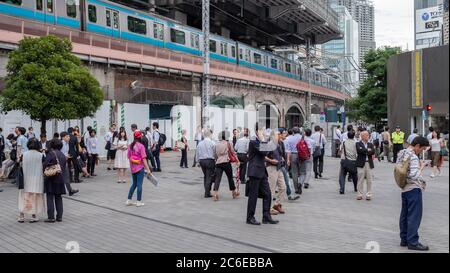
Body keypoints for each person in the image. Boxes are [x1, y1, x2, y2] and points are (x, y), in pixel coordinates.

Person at [396, 136, 430, 251]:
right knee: (414, 216)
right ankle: (413, 242)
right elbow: (414, 175)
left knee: (404, 215)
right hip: (413, 188)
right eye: (422, 149)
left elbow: (399, 168)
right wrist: (421, 167)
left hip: (404, 188)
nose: (422, 151)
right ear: (417, 146)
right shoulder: (414, 157)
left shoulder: (402, 152)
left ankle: (404, 239)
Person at [246, 125, 278, 225]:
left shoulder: (259, 141)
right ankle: (250, 217)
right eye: (262, 130)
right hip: (255, 172)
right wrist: (263, 139)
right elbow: (264, 151)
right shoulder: (253, 141)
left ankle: (266, 216)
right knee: (253, 196)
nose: (264, 132)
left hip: (262, 172)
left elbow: (268, 151)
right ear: (257, 131)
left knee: (267, 194)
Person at [17, 138, 45, 223]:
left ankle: (21, 216)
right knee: (35, 197)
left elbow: (19, 164)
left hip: (26, 179)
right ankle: (34, 216)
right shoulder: (41, 155)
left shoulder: (23, 154)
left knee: (24, 197)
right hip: (37, 179)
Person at [43, 139, 68, 222]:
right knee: (58, 197)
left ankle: (51, 217)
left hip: (51, 178)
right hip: (60, 179)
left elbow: (45, 165)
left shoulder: (51, 153)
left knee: (50, 197)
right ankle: (59, 216)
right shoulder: (62, 155)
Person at [126, 130, 152, 207]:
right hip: (140, 168)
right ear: (140, 137)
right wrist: (148, 169)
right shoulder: (141, 146)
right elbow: (144, 159)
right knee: (139, 184)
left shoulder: (130, 145)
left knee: (134, 184)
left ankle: (128, 200)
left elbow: (128, 157)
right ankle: (138, 201)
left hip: (133, 168)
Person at [212, 131, 239, 201]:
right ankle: (233, 192)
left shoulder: (216, 144)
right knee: (230, 178)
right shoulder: (228, 143)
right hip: (226, 162)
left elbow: (214, 155)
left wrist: (217, 159)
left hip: (218, 162)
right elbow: (233, 152)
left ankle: (215, 193)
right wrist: (237, 160)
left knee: (217, 179)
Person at [266, 130, 287, 215]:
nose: (280, 135)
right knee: (271, 189)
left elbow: (281, 154)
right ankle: (268, 208)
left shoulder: (280, 143)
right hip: (271, 167)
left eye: (279, 134)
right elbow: (263, 156)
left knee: (283, 187)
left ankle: (277, 204)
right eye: (277, 134)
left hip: (279, 167)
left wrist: (282, 158)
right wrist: (271, 160)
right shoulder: (269, 144)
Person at [278, 128, 300, 201]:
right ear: (279, 134)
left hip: (281, 164)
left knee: (286, 179)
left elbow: (287, 151)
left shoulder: (283, 142)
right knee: (274, 182)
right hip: (274, 165)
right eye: (284, 133)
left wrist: (287, 159)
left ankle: (289, 195)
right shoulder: (275, 143)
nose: (286, 134)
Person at [196, 129, 216, 198]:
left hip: (202, 161)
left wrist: (197, 161)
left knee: (206, 176)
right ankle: (207, 193)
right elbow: (215, 153)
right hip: (210, 160)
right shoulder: (212, 143)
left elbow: (197, 153)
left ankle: (207, 191)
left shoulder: (200, 143)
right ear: (210, 134)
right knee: (209, 176)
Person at [356, 131, 375, 200]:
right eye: (366, 135)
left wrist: (365, 150)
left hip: (368, 163)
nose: (368, 136)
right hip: (361, 163)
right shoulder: (358, 143)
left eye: (368, 135)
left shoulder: (370, 144)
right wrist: (367, 150)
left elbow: (373, 151)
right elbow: (359, 151)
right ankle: (359, 194)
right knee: (360, 179)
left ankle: (368, 194)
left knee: (369, 180)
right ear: (362, 136)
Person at [339, 130, 358, 194]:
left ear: (347, 135)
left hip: (344, 160)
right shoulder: (356, 143)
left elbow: (340, 150)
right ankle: (355, 187)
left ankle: (342, 189)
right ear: (354, 135)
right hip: (353, 161)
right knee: (354, 175)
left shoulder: (343, 142)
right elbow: (357, 153)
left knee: (342, 175)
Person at [60, 132, 79, 196]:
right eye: (67, 136)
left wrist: (67, 156)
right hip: (60, 162)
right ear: (63, 137)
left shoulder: (67, 143)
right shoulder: (61, 143)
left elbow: (65, 152)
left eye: (69, 136)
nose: (69, 138)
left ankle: (70, 190)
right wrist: (65, 156)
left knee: (66, 175)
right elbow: (59, 153)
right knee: (62, 176)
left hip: (64, 161)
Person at [285, 127, 303, 194]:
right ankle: (300, 183)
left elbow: (288, 150)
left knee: (294, 172)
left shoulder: (289, 138)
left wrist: (288, 160)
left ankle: (296, 188)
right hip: (302, 156)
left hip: (293, 155)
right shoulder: (302, 137)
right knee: (302, 171)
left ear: (293, 132)